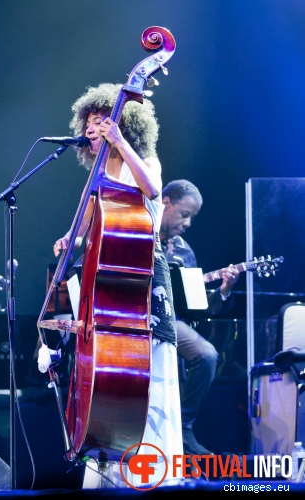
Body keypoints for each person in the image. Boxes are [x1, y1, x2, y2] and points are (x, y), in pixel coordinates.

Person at [52, 83, 183, 487]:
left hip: (144, 281)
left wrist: (120, 142)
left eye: (99, 122)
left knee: (151, 371)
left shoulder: (143, 159)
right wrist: (70, 240)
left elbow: (153, 190)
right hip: (108, 287)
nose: (91, 131)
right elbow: (88, 228)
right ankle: (107, 461)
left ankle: (153, 471)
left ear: (121, 123)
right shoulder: (95, 176)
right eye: (88, 124)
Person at [159, 179, 240, 457]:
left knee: (206, 355)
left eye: (192, 218)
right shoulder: (137, 233)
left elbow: (198, 306)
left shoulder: (183, 250)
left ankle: (184, 427)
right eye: (185, 215)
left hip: (168, 321)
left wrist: (224, 290)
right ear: (165, 203)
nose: (188, 224)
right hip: (132, 318)